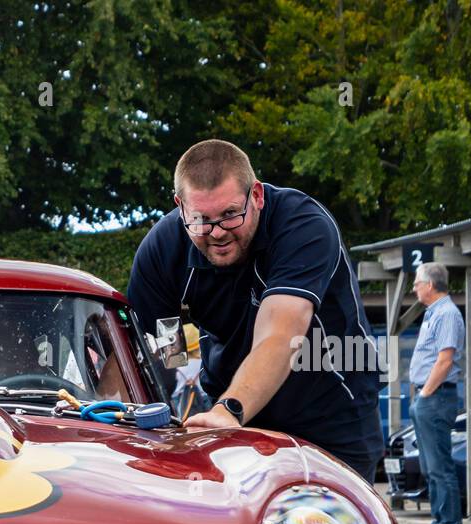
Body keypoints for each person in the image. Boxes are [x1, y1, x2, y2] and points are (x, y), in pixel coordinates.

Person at [127, 139, 383, 480]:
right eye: (201, 219)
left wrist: (229, 409)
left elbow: (279, 335)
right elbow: (160, 352)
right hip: (233, 416)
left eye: (230, 214)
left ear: (257, 196)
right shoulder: (161, 253)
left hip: (330, 413)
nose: (217, 233)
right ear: (180, 206)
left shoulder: (303, 226)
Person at [407, 262, 466, 524]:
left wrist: (426, 393)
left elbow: (445, 359)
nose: (414, 288)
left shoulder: (447, 314)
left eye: (417, 283)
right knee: (430, 466)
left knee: (440, 465)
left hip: (436, 396)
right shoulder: (434, 314)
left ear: (430, 285)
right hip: (428, 396)